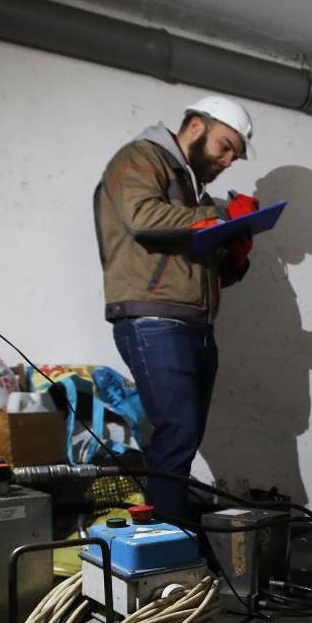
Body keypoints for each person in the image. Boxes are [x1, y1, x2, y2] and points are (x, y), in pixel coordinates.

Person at [95, 94, 259, 523]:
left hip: (193, 324)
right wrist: (222, 214)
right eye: (225, 146)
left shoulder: (191, 190)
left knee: (182, 438)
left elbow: (195, 270)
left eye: (235, 156)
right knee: (177, 433)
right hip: (154, 320)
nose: (227, 160)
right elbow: (142, 217)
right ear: (196, 126)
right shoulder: (141, 157)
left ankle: (169, 532)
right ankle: (169, 541)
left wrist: (234, 257)